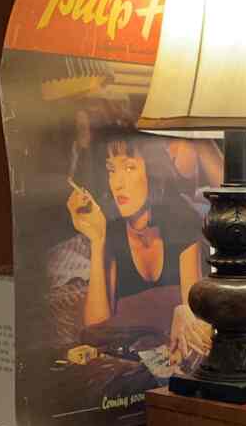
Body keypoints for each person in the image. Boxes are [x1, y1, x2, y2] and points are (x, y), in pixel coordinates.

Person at [66, 120, 217, 360]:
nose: (117, 183)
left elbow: (194, 319)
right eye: (111, 170)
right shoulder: (112, 234)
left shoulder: (182, 224)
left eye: (128, 168)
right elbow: (96, 332)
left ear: (153, 172)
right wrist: (97, 240)